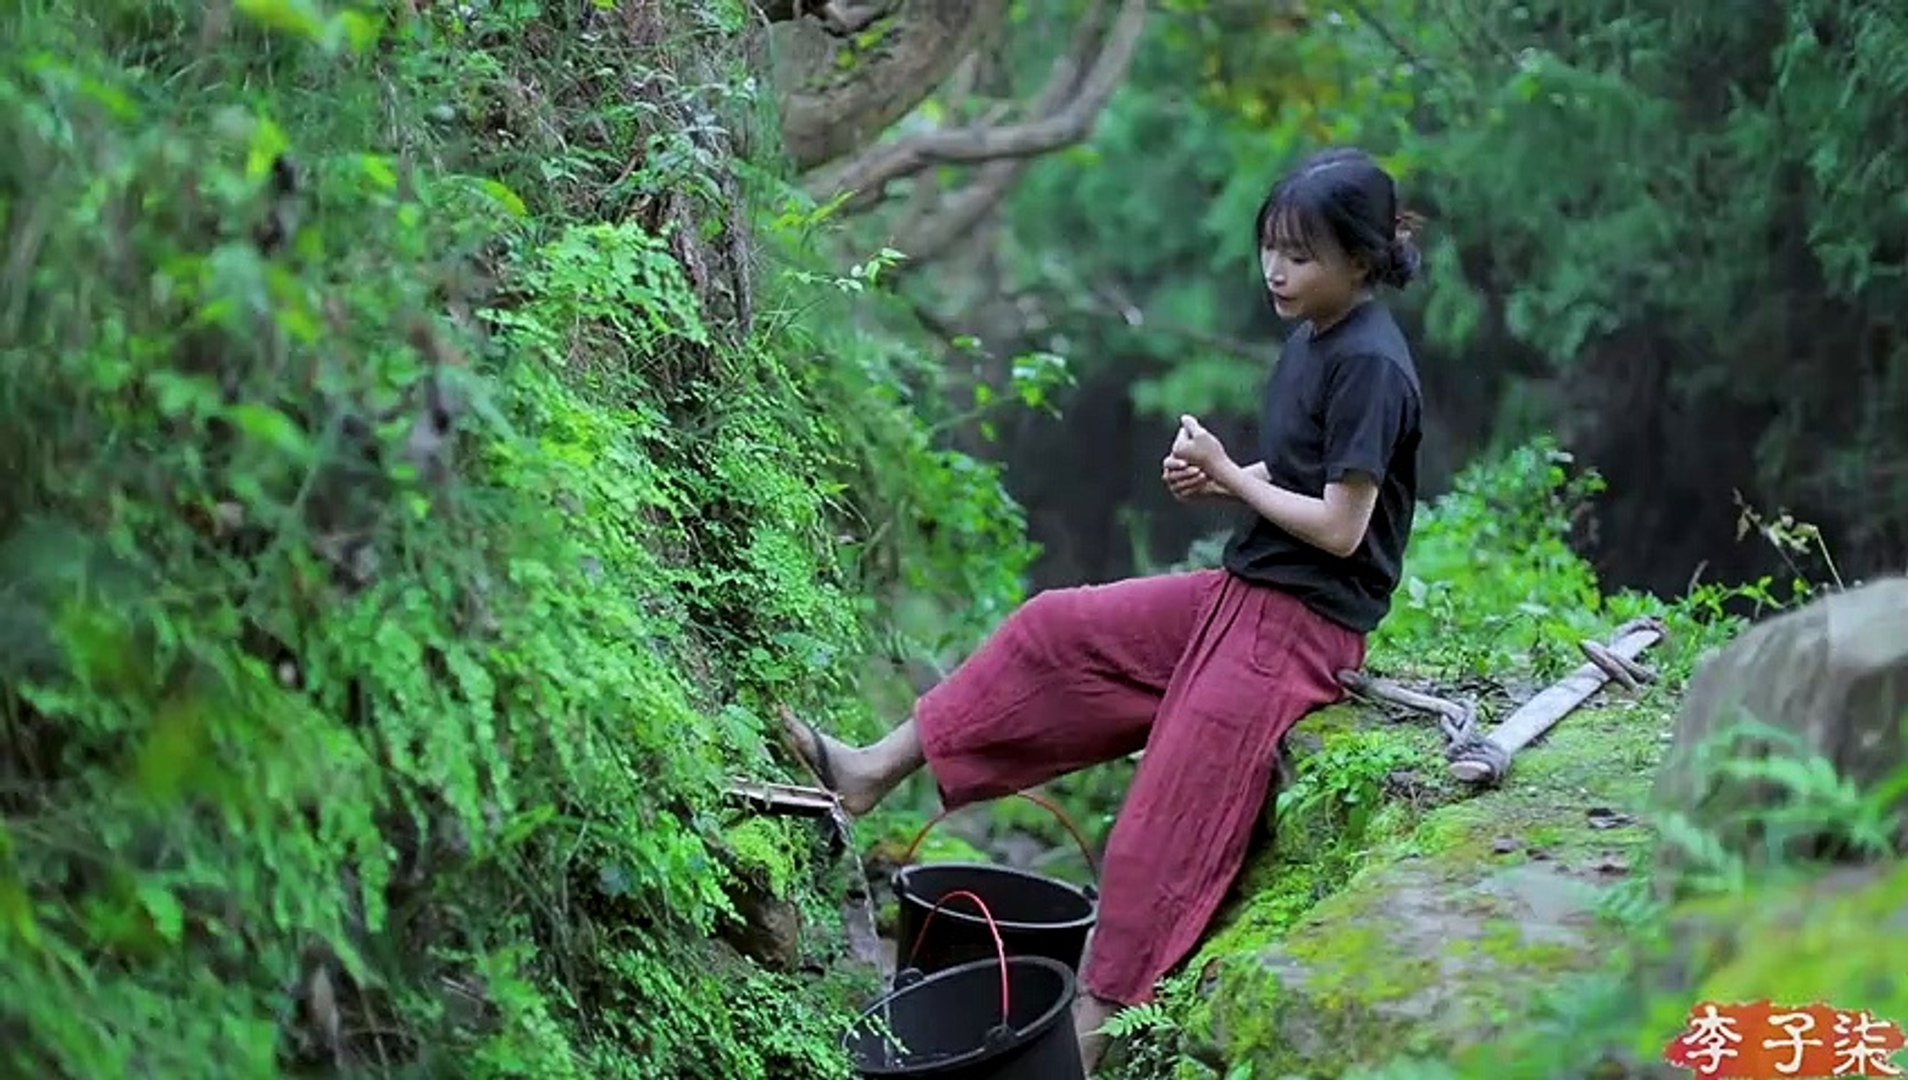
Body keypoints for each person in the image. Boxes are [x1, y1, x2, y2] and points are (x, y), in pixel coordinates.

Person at [781, 146, 1424, 1072]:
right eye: (1270, 249)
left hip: (1299, 630)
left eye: (1303, 256)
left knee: (1153, 838)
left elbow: (1340, 530)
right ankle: (868, 770)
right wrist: (1224, 487)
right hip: (1239, 594)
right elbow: (1299, 479)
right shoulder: (1312, 336)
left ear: (1360, 263)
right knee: (1056, 633)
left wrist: (1234, 478)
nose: (1276, 271)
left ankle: (1074, 1052)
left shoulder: (1371, 364)